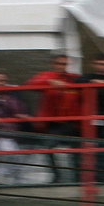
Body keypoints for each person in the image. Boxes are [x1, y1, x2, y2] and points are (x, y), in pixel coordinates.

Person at [24, 53, 81, 183]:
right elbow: (30, 84)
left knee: (78, 148)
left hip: (73, 122)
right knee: (48, 145)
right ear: (53, 64)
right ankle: (57, 175)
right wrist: (49, 82)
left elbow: (86, 83)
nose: (62, 67)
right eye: (59, 64)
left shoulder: (73, 78)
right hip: (53, 123)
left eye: (65, 64)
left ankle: (77, 177)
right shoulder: (48, 76)